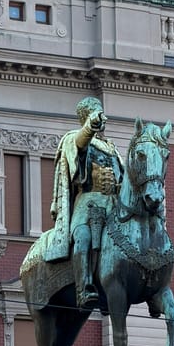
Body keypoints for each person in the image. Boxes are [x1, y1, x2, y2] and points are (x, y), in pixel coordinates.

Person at [43, 97, 123, 308]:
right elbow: (80, 144)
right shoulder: (74, 138)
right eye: (97, 113)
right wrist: (90, 126)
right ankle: (83, 288)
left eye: (102, 113)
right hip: (87, 202)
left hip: (113, 205)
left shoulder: (112, 148)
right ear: (86, 116)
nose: (102, 117)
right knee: (83, 237)